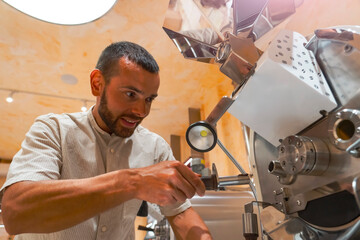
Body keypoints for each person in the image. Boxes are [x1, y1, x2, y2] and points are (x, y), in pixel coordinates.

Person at [0, 41, 212, 240]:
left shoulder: (156, 148)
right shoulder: (53, 130)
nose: (141, 111)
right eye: (130, 94)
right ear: (97, 84)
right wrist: (132, 182)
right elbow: (16, 213)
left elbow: (180, 214)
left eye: (148, 99)